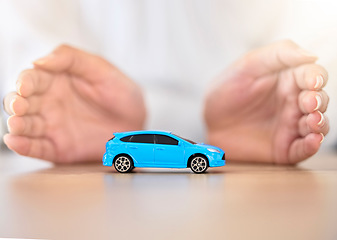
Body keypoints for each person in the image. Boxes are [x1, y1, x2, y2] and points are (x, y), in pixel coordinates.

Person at [0, 1, 331, 164]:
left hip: (259, 127)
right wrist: (43, 89)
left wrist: (290, 92)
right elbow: (16, 29)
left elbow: (324, 25)